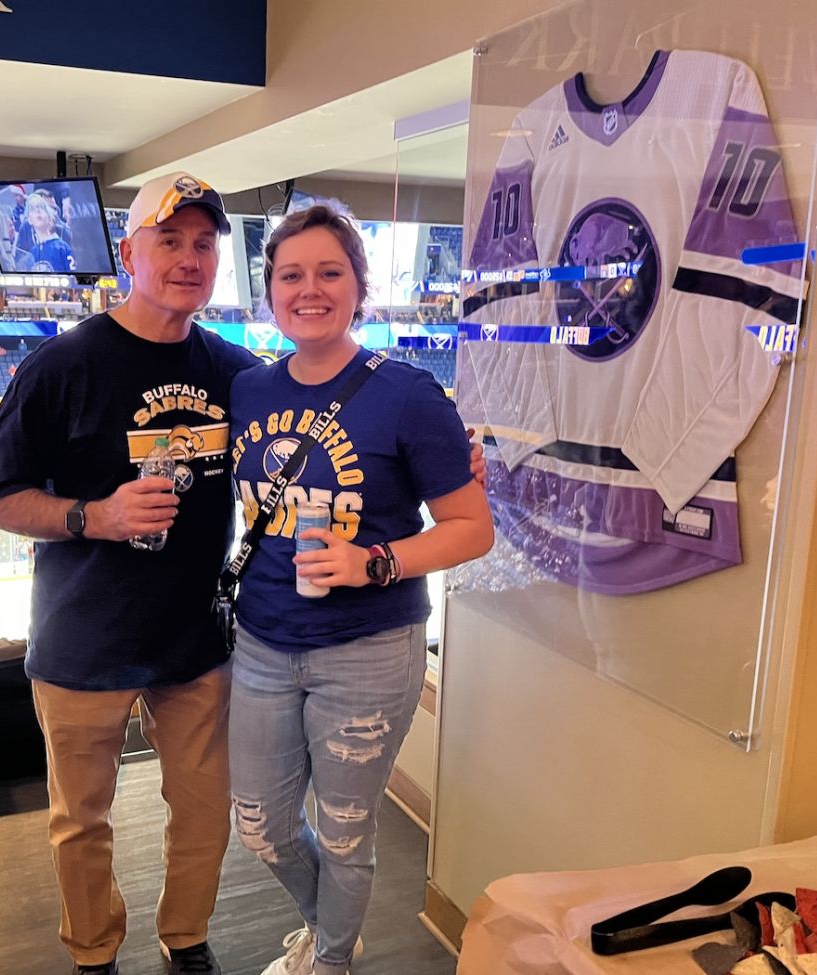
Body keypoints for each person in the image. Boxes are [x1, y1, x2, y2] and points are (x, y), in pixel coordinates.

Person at [0, 172, 259, 975]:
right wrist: (93, 516)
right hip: (82, 640)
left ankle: (187, 938)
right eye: (170, 240)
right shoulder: (59, 366)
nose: (190, 258)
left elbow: (313, 434)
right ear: (129, 253)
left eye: (205, 244)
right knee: (81, 820)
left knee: (203, 813)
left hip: (194, 641)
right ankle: (93, 953)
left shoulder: (236, 370)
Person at [227, 203, 495, 975]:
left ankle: (332, 962)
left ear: (358, 286)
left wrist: (373, 561)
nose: (310, 289)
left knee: (345, 829)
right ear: (269, 291)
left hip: (368, 652)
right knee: (264, 825)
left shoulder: (406, 393)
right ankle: (329, 929)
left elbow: (471, 527)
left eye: (329, 272)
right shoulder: (246, 388)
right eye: (291, 275)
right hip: (263, 643)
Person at [14, 193, 75, 273]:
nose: (38, 211)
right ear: (29, 220)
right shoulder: (31, 255)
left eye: (41, 208)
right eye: (33, 209)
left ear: (50, 218)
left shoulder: (63, 248)